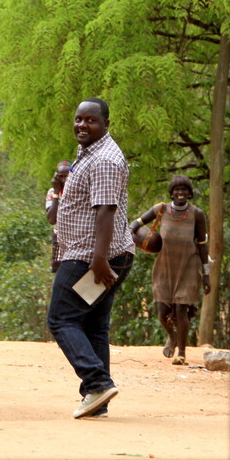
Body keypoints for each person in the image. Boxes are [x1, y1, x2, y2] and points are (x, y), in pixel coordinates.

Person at [47, 97, 134, 419]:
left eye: (91, 121)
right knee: (94, 326)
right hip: (94, 255)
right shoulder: (90, 154)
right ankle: (98, 399)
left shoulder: (106, 160)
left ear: (106, 124)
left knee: (61, 319)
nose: (82, 125)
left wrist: (99, 260)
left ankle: (97, 383)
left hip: (92, 259)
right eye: (79, 119)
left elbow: (106, 212)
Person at [130, 175, 211, 365]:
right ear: (172, 192)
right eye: (177, 189)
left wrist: (206, 275)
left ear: (189, 193)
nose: (180, 193)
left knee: (181, 310)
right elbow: (136, 223)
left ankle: (181, 353)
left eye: (184, 190)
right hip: (164, 267)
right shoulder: (161, 209)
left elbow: (202, 245)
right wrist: (132, 235)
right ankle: (172, 336)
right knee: (161, 312)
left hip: (188, 267)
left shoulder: (197, 214)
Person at [45, 161, 71, 273]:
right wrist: (56, 191)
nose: (64, 180)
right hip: (59, 237)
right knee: (61, 273)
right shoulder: (52, 192)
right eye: (61, 177)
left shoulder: (77, 190)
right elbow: (51, 219)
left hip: (76, 238)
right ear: (56, 177)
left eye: (67, 176)